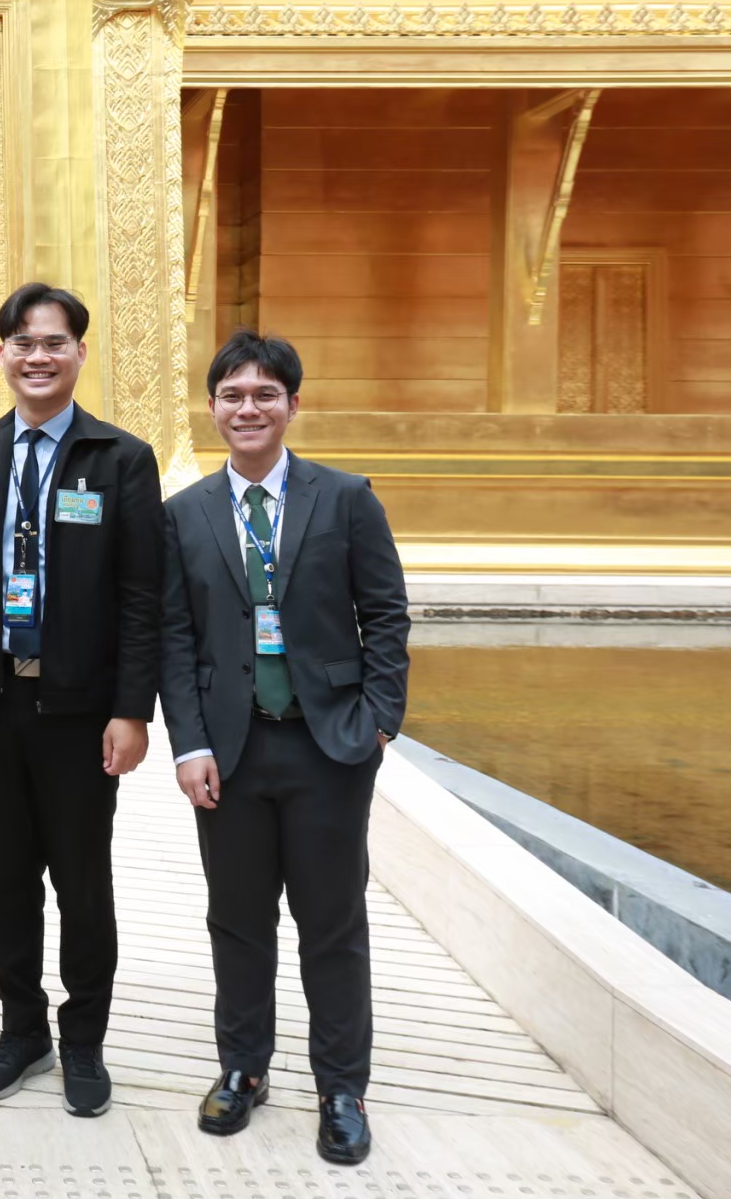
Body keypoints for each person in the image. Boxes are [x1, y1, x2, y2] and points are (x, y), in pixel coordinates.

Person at [158, 327, 410, 1166]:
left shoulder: (345, 499)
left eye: (265, 393)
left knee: (332, 922)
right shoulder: (185, 513)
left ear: (293, 405)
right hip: (229, 751)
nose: (249, 407)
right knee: (237, 919)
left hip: (327, 746)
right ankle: (244, 1067)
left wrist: (379, 719)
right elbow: (175, 639)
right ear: (213, 407)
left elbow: (386, 615)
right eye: (233, 394)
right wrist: (188, 744)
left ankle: (341, 1087)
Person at [0, 283, 163, 1119]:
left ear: (79, 354)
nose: (38, 356)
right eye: (22, 342)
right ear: (3, 354)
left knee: (81, 879)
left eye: (54, 342)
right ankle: (22, 1026)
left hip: (79, 711)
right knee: (4, 879)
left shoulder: (120, 458)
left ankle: (85, 1037)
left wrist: (132, 707)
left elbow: (142, 594)